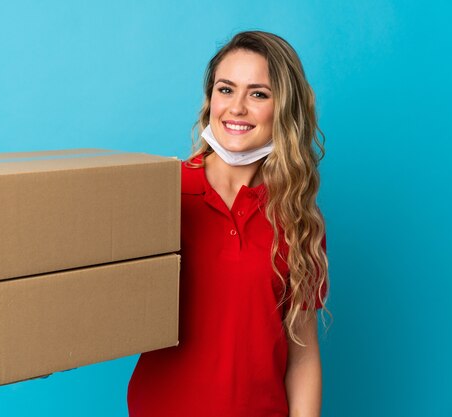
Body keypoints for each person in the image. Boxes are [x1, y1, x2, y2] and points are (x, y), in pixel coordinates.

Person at [127, 30, 330, 417]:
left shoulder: (299, 218)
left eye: (258, 94)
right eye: (225, 89)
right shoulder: (161, 195)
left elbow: (302, 357)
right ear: (210, 100)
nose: (236, 108)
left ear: (284, 108)